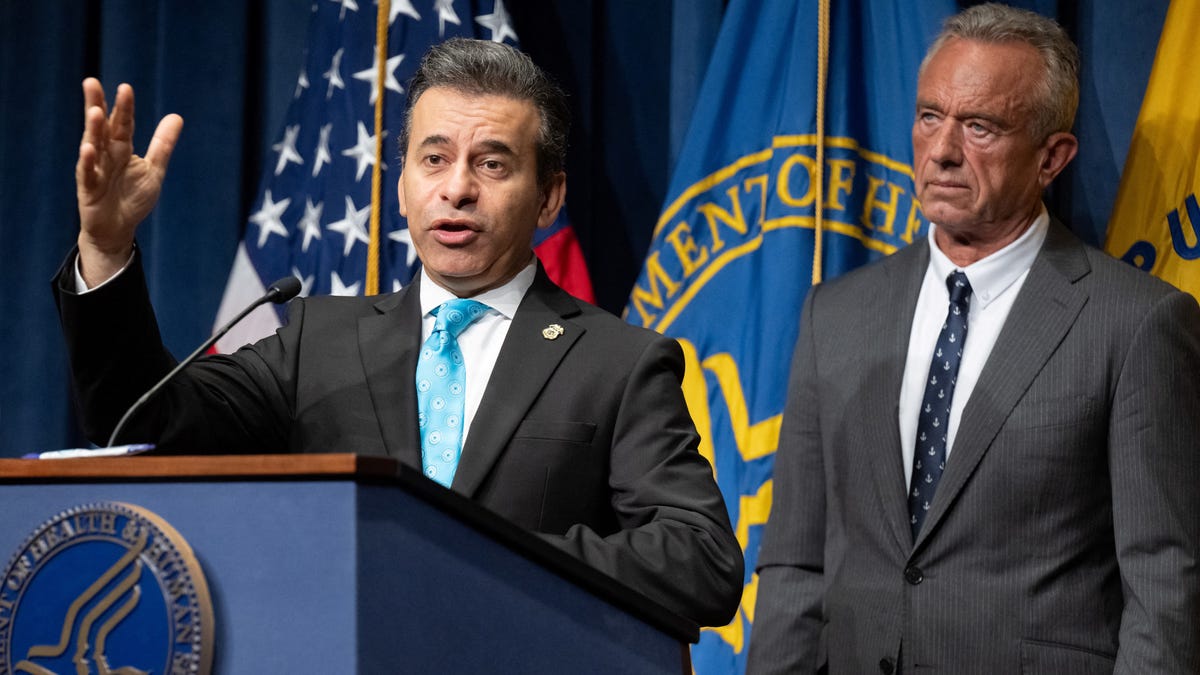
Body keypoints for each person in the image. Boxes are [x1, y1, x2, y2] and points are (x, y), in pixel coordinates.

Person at [54, 38, 743, 628]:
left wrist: (491, 558)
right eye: (434, 159)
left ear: (549, 197)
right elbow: (140, 422)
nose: (457, 189)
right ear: (403, 184)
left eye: (492, 164)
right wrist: (106, 250)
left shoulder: (618, 363)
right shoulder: (317, 341)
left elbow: (703, 560)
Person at [747, 4, 1200, 673]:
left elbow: (1164, 583)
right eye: (930, 116)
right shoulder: (835, 314)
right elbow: (796, 561)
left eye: (980, 126)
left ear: (1052, 157)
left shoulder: (1136, 323)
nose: (943, 150)